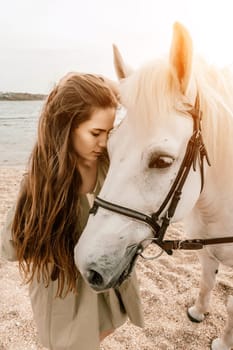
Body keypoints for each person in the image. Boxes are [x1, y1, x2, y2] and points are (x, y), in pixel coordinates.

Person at [0, 73, 144, 350]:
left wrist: (114, 90)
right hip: (66, 290)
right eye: (95, 133)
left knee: (103, 329)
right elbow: (9, 247)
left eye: (109, 132)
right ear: (67, 126)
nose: (103, 142)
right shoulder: (40, 182)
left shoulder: (109, 165)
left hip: (104, 278)